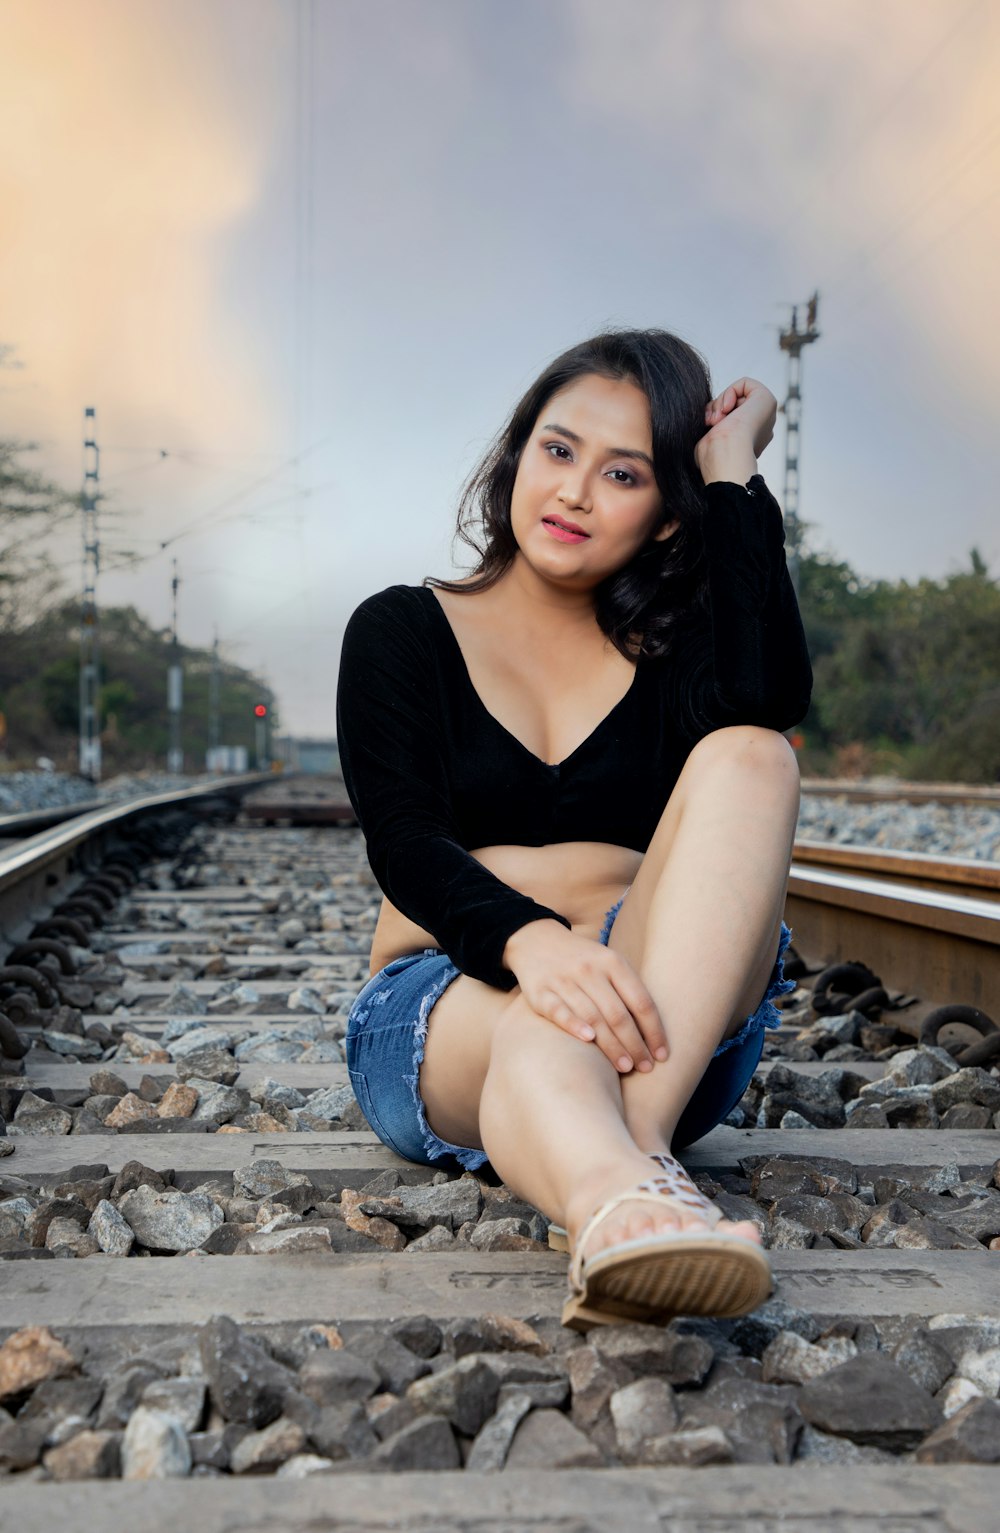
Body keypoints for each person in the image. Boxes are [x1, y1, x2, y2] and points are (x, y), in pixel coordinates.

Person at [336, 328, 812, 1331]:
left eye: (625, 473)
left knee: (753, 755)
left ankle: (626, 1164)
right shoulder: (399, 632)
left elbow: (767, 695)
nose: (575, 493)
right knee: (540, 1024)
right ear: (516, 455)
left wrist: (732, 471)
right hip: (450, 993)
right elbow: (406, 841)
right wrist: (534, 940)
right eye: (557, 451)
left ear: (669, 516)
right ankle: (621, 1198)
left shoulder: (678, 658)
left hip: (662, 1023)